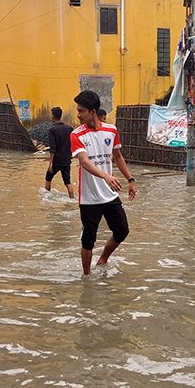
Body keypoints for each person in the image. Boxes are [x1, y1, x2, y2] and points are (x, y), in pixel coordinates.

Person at [71, 90, 136, 276]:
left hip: (109, 195)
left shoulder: (111, 130)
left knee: (122, 230)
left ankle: (103, 259)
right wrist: (106, 176)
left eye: (81, 110)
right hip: (89, 198)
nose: (78, 114)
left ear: (92, 111)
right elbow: (84, 161)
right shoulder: (77, 135)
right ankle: (86, 275)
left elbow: (118, 156)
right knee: (88, 240)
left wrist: (130, 180)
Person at [45, 106, 75, 199]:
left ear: (53, 116)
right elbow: (72, 143)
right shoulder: (69, 128)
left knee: (48, 178)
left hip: (57, 160)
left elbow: (52, 148)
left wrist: (50, 163)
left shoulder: (52, 129)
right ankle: (72, 199)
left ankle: (47, 197)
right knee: (67, 181)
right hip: (66, 160)